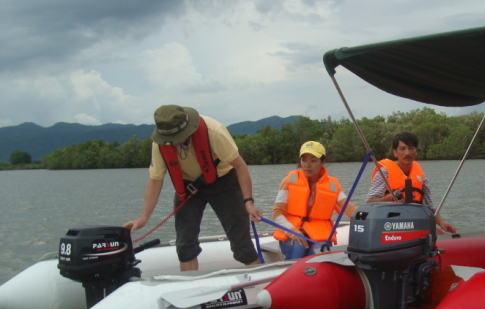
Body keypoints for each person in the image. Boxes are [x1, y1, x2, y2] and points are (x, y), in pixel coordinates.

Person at [125, 105, 262, 271]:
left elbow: (241, 167)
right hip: (188, 188)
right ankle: (188, 285)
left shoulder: (214, 131)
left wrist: (248, 202)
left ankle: (257, 281)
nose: (173, 142)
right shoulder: (159, 144)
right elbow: (155, 180)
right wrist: (143, 218)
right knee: (185, 244)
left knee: (241, 241)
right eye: (170, 139)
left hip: (224, 182)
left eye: (177, 137)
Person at [272, 141, 358, 260]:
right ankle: (291, 276)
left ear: (322, 162)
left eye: (313, 160)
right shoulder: (288, 181)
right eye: (304, 160)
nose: (307, 165)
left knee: (319, 250)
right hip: (291, 232)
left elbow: (350, 209)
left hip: (319, 234)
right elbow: (277, 214)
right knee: (298, 247)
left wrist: (368, 219)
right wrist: (292, 232)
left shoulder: (333, 185)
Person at [366, 132, 456, 234]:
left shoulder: (422, 176)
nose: (407, 153)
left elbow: (429, 206)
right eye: (402, 149)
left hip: (415, 222)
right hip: (390, 224)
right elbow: (369, 202)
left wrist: (442, 224)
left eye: (411, 148)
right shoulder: (384, 172)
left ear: (416, 151)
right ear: (395, 152)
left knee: (441, 236)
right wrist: (389, 198)